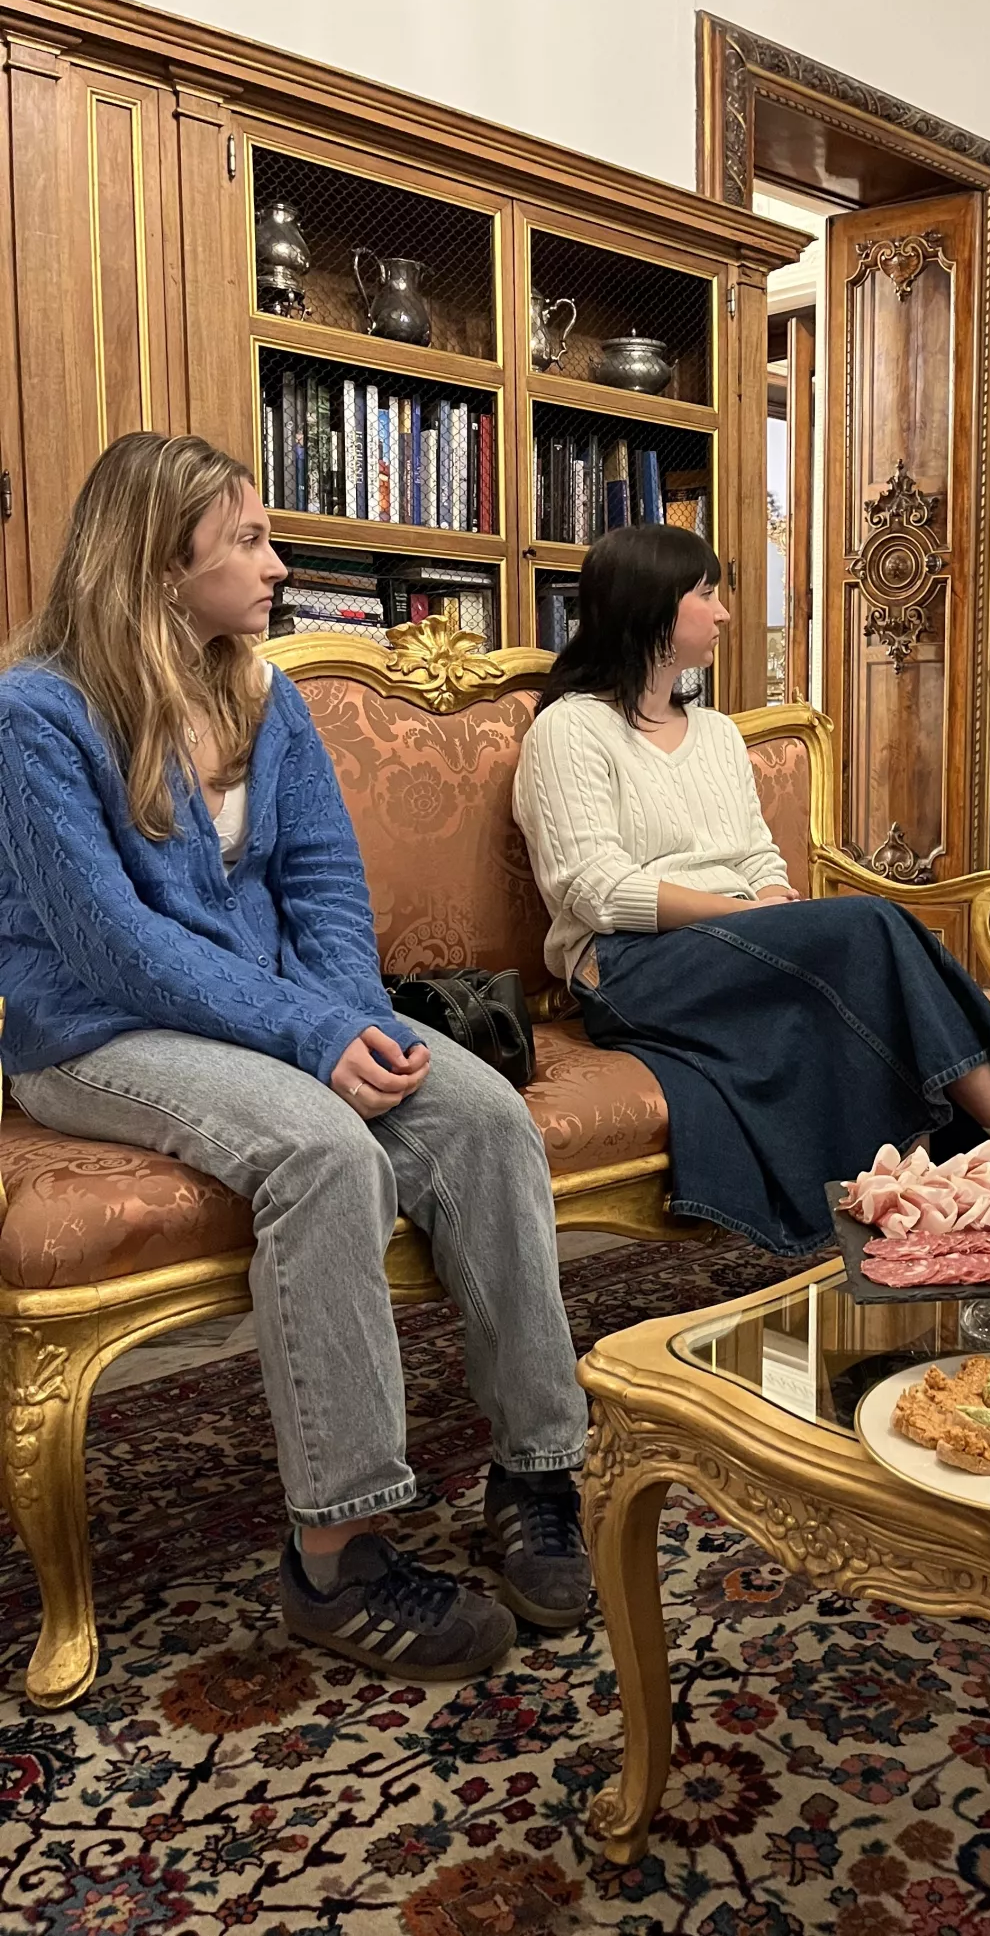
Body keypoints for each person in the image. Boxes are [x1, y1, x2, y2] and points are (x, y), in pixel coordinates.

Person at [0, 432, 590, 1679]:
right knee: (323, 1152)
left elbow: (324, 881)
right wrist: (316, 1039)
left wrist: (353, 1020)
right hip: (96, 1034)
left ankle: (537, 1473)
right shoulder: (34, 715)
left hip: (267, 1011)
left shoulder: (262, 692)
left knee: (482, 1116)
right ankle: (340, 1557)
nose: (279, 564)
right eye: (251, 542)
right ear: (166, 566)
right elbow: (114, 948)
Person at [514, 525, 990, 1256]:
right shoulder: (570, 729)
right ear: (651, 606)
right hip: (632, 965)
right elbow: (597, 891)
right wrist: (745, 913)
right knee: (871, 923)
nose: (725, 613)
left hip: (738, 945)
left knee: (869, 941)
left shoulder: (713, 734)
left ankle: (926, 1198)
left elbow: (756, 851)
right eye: (707, 593)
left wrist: (770, 897)